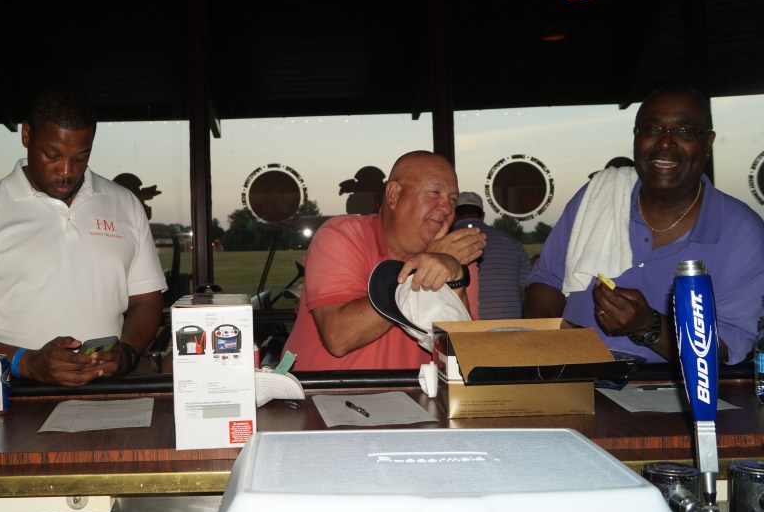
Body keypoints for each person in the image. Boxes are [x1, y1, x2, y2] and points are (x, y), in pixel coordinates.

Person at [0, 85, 167, 386]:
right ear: (26, 135)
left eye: (80, 157)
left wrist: (127, 353)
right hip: (11, 398)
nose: (66, 170)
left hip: (107, 393)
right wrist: (26, 363)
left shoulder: (124, 204)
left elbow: (146, 300)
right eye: (52, 155)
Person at [526, 84, 764, 364]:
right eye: (651, 129)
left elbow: (728, 347)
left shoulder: (741, 232)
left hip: (673, 390)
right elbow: (546, 282)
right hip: (578, 380)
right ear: (636, 138)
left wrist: (648, 326)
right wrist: (553, 350)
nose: (665, 143)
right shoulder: (597, 198)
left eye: (684, 131)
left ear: (708, 142)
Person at [282, 150, 485, 370]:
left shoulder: (456, 258)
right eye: (435, 192)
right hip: (322, 389)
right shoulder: (342, 236)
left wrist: (454, 279)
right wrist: (419, 271)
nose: (447, 208)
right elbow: (339, 337)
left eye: (453, 199)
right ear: (393, 194)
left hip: (415, 391)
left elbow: (464, 356)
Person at [451, 191, 531, 319]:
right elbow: (525, 293)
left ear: (454, 214)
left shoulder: (446, 243)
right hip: (511, 325)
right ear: (482, 216)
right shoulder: (512, 243)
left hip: (466, 327)